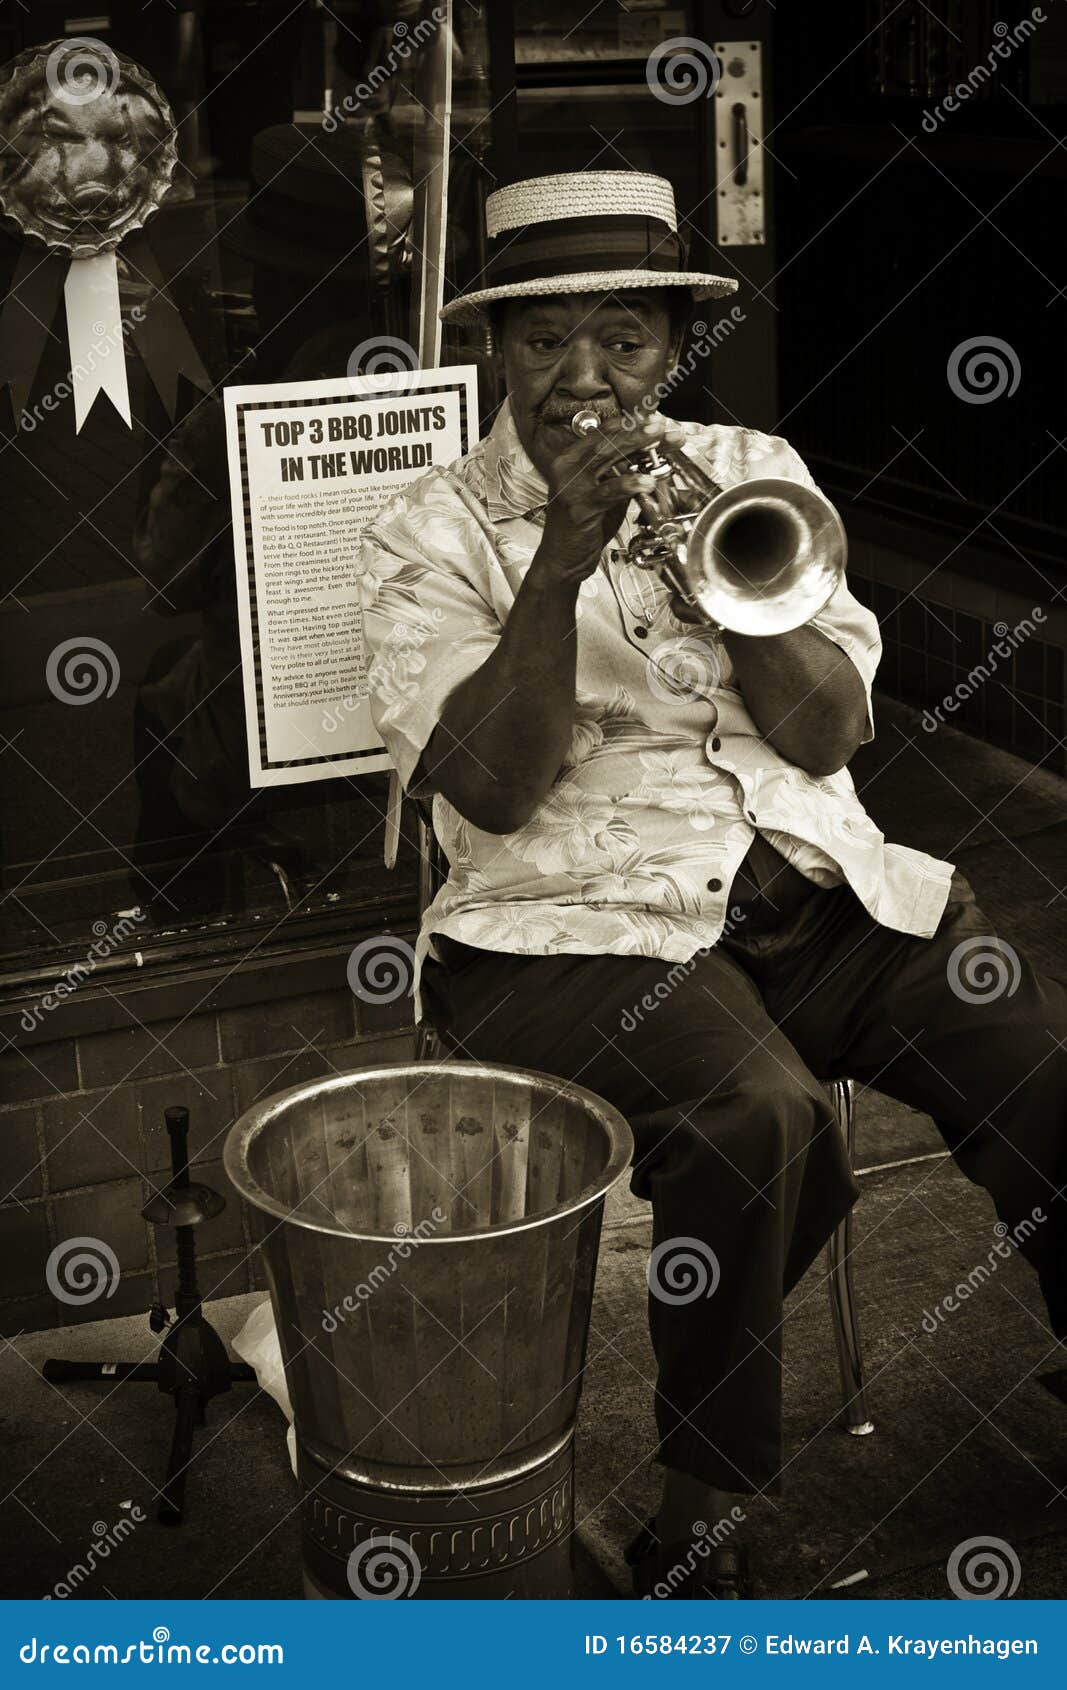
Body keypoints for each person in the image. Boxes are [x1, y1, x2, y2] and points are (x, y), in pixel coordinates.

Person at [358, 170, 1067, 1599]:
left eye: (622, 339)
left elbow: (826, 732)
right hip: (561, 925)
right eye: (544, 339)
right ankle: (703, 1515)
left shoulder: (753, 466)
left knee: (1035, 1059)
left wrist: (724, 588)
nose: (584, 380)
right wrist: (559, 564)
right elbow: (488, 788)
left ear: (671, 349)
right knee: (761, 1117)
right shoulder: (426, 531)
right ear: (495, 352)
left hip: (809, 884)